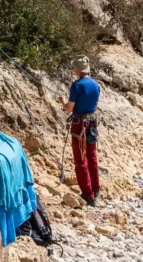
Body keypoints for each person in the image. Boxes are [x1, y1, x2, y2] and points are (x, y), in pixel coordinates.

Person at [62, 57, 101, 206]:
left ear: (78, 70)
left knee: (81, 158)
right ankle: (95, 189)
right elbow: (95, 105)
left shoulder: (76, 86)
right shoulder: (96, 85)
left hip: (80, 124)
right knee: (91, 156)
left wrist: (62, 101)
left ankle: (88, 194)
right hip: (92, 123)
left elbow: (68, 109)